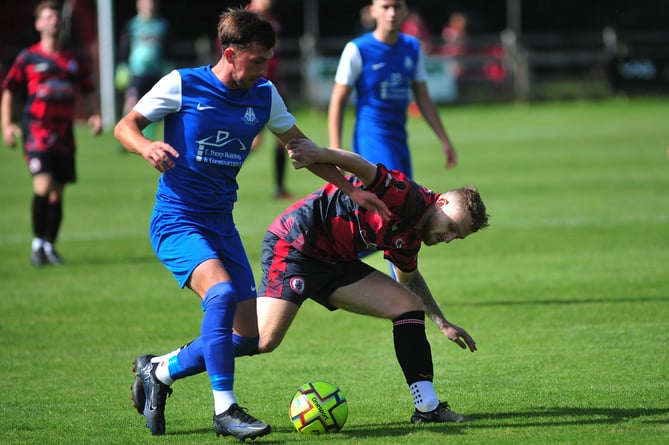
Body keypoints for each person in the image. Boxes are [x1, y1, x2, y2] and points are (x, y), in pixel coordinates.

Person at [114, 8, 389, 440]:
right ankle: (225, 411)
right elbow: (125, 126)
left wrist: (351, 190)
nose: (265, 69)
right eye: (258, 60)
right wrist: (146, 146)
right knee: (220, 294)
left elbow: (303, 147)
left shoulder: (264, 95)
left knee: (248, 338)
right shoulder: (182, 84)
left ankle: (160, 370)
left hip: (221, 225)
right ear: (230, 53)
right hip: (177, 219)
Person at [139, 139, 488, 424]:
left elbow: (408, 278)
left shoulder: (414, 235)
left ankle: (427, 407)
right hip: (296, 245)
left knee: (408, 307)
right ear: (441, 201)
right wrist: (319, 154)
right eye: (452, 227)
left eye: (457, 237)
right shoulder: (407, 196)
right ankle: (161, 369)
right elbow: (362, 167)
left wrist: (442, 323)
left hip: (337, 261)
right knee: (260, 339)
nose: (448, 238)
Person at [1, 0, 102, 267]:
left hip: (64, 135)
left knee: (57, 193)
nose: (53, 21)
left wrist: (95, 114)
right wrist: (7, 125)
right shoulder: (28, 58)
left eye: (56, 17)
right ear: (38, 24)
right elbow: (9, 90)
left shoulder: (73, 59)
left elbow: (89, 88)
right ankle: (37, 244)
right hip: (36, 133)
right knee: (43, 186)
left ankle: (48, 245)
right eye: (48, 17)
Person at [328, 0, 457, 179]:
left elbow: (423, 98)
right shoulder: (357, 49)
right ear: (373, 11)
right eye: (386, 7)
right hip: (371, 138)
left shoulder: (412, 47)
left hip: (400, 139)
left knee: (402, 202)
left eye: (397, 7)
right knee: (393, 199)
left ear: (405, 11)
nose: (392, 13)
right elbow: (338, 101)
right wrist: (337, 152)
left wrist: (444, 139)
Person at [116, 0, 170, 140]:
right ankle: (124, 136)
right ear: (138, 5)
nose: (149, 6)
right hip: (136, 71)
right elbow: (125, 46)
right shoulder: (132, 25)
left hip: (156, 71)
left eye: (151, 3)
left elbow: (167, 48)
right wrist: (123, 65)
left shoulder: (161, 25)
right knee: (131, 101)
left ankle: (148, 136)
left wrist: (168, 65)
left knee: (153, 104)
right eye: (145, 3)